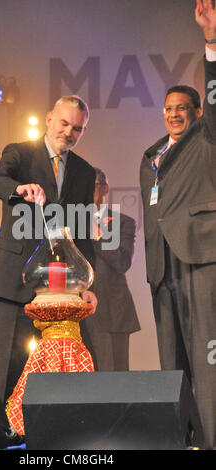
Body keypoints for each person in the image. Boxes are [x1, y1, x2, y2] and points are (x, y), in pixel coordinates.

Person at [0, 95, 97, 403]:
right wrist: (18, 189)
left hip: (59, 289)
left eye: (77, 128)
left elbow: (84, 233)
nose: (68, 132)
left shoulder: (85, 172)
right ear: (49, 119)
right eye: (63, 123)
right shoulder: (20, 153)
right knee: (7, 366)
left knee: (55, 370)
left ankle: (45, 434)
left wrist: (87, 285)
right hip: (14, 281)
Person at [139, 0, 216, 449]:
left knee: (208, 365)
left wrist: (210, 42)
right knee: (174, 365)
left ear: (197, 111)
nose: (173, 113)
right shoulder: (150, 155)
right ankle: (182, 440)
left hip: (201, 260)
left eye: (182, 107)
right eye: (168, 107)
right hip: (162, 270)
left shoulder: (207, 139)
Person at [81, 168, 140, 371]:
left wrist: (100, 237)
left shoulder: (122, 223)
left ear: (104, 189)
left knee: (114, 381)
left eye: (93, 186)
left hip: (112, 312)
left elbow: (123, 262)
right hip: (77, 312)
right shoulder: (70, 221)